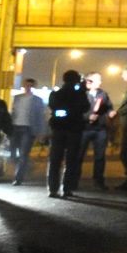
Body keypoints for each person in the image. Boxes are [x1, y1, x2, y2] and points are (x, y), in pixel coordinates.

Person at [46, 70, 90, 198]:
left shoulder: (56, 94)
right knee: (71, 160)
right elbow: (85, 107)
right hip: (75, 129)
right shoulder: (80, 94)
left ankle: (53, 189)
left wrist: (64, 111)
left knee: (55, 160)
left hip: (58, 129)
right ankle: (67, 188)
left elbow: (53, 107)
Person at [81, 71, 116, 188]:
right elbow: (76, 111)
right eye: (98, 79)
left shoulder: (103, 94)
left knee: (100, 156)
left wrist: (111, 112)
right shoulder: (82, 94)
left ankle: (98, 180)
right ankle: (73, 179)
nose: (101, 82)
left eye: (100, 79)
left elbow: (108, 107)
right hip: (84, 129)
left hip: (100, 129)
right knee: (79, 155)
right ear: (89, 81)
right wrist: (87, 117)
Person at [7, 77, 44, 185]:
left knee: (23, 153)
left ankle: (18, 177)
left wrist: (41, 132)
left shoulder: (37, 100)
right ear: (24, 86)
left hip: (28, 128)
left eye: (31, 86)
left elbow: (40, 116)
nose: (28, 88)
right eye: (27, 85)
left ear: (34, 87)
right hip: (15, 127)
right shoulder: (17, 98)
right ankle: (24, 167)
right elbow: (12, 112)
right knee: (12, 153)